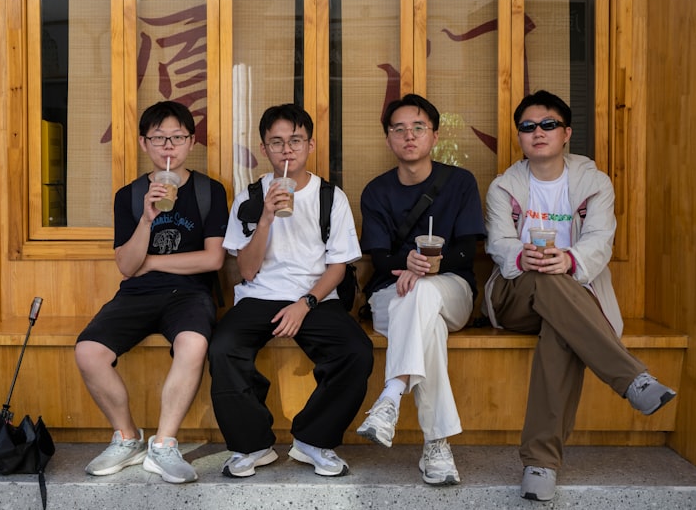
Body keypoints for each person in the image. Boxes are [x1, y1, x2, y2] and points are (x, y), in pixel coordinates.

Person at [483, 90, 677, 502]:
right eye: (528, 126)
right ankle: (632, 379)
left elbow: (601, 241)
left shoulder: (594, 183)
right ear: (519, 136)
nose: (538, 132)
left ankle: (541, 464)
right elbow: (499, 244)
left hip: (574, 297)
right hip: (515, 295)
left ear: (567, 133)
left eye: (548, 124)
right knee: (547, 280)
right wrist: (524, 256)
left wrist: (569, 260)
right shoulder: (504, 187)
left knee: (561, 326)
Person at [208, 104, 374, 478]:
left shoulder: (330, 196)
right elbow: (246, 270)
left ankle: (314, 440)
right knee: (223, 349)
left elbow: (338, 267)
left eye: (296, 140)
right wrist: (265, 217)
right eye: (277, 142)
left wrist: (306, 303)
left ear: (310, 145)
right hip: (259, 295)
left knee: (356, 351)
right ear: (264, 149)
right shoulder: (250, 198)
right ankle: (252, 445)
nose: (287, 150)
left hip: (316, 296)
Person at [75, 101, 228, 484]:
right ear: (144, 143)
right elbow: (128, 267)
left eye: (177, 137)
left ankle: (163, 445)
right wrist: (146, 219)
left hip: (190, 293)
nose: (168, 146)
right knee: (89, 352)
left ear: (191, 141)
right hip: (138, 293)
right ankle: (127, 437)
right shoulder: (129, 195)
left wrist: (155, 262)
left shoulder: (209, 191)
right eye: (159, 138)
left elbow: (212, 259)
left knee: (193, 343)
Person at [356, 94, 486, 486]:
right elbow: (380, 259)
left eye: (418, 128)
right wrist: (409, 263)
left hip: (452, 292)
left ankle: (391, 395)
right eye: (399, 129)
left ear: (435, 135)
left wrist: (432, 266)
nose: (408, 136)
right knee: (426, 320)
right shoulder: (376, 191)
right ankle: (436, 445)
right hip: (391, 296)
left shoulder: (459, 183)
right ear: (388, 138)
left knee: (425, 293)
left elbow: (468, 250)